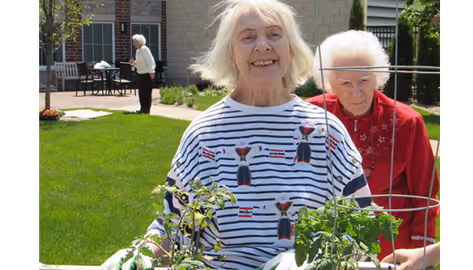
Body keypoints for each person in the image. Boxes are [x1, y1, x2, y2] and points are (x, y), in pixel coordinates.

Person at [102, 1, 372, 269]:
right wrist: (140, 254)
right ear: (231, 54)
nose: (263, 45)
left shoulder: (327, 132)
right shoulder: (204, 133)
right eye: (248, 37)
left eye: (274, 34)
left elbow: (362, 227)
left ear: (290, 49)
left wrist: (312, 260)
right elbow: (174, 227)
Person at [305, 30, 441, 261]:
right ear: (329, 84)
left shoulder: (408, 122)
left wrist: (423, 249)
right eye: (345, 83)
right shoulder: (310, 115)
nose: (357, 93)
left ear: (378, 77)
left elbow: (424, 192)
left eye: (365, 81)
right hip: (329, 238)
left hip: (392, 244)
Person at [131, 34, 156, 114]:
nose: (133, 44)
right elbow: (140, 62)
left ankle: (146, 109)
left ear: (139, 42)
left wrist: (151, 71)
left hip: (146, 74)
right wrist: (134, 63)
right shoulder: (138, 51)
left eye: (134, 42)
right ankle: (142, 108)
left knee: (147, 92)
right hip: (140, 73)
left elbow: (150, 61)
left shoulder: (144, 49)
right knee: (141, 92)